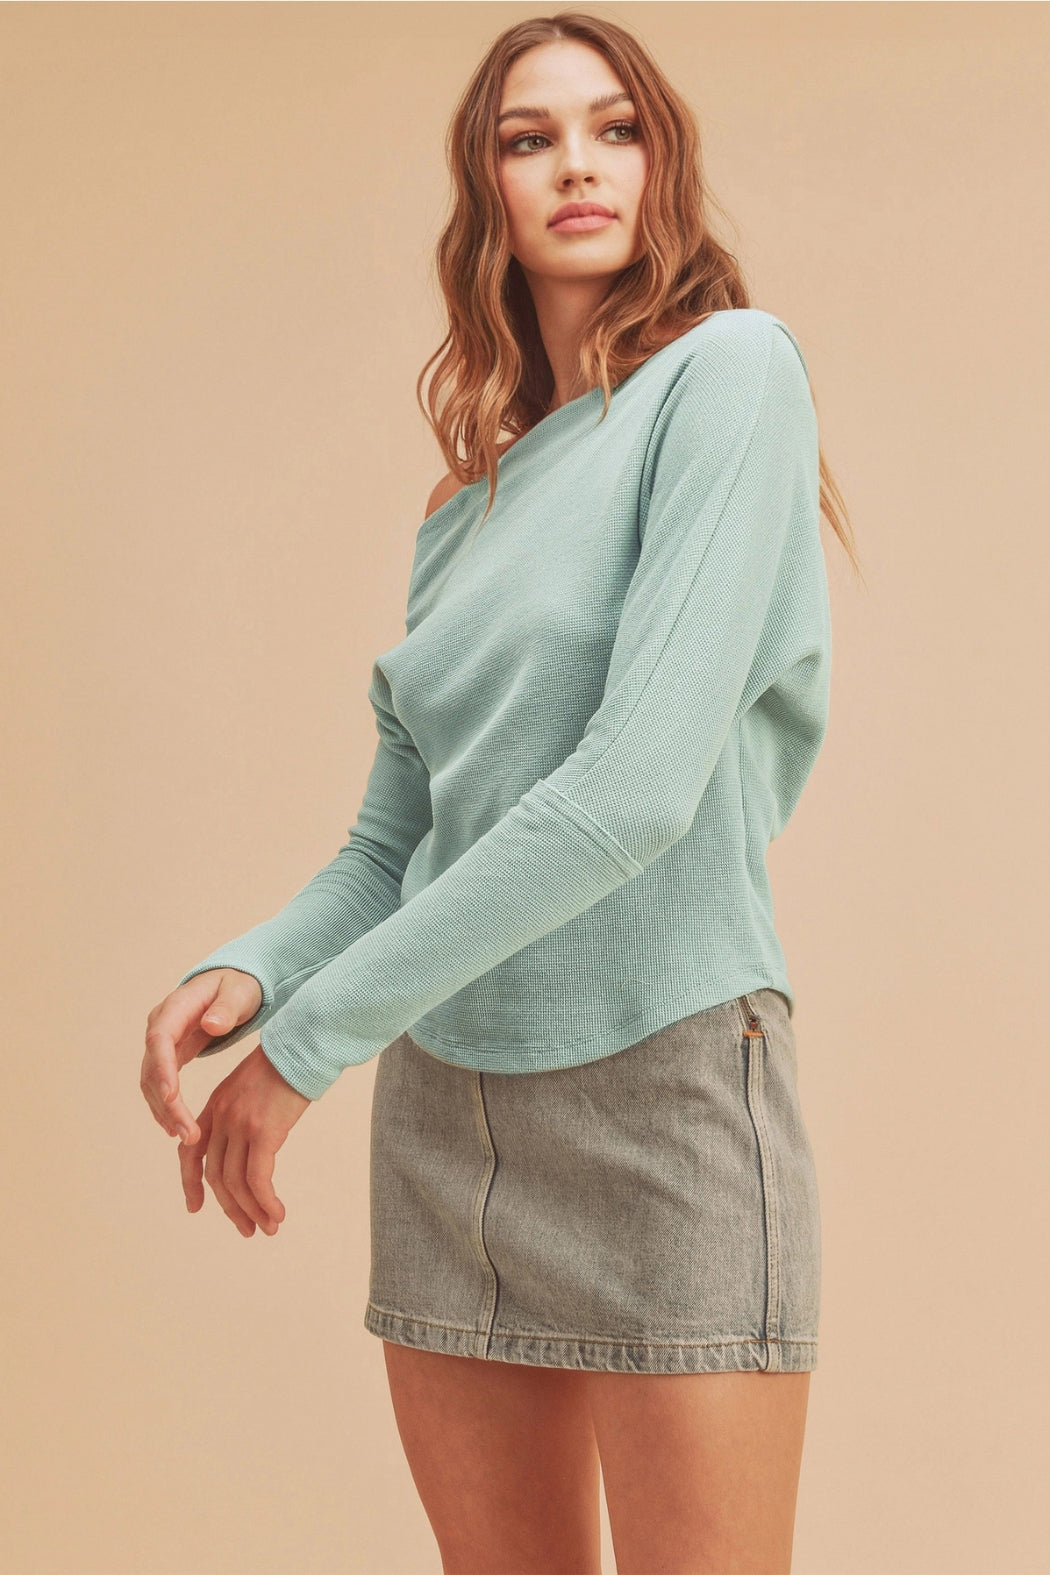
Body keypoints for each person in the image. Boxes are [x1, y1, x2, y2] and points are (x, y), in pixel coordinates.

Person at [141, 12, 859, 1572]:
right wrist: (255, 971)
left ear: (662, 164)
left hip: (663, 1088)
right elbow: (396, 841)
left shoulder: (730, 376)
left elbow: (632, 795)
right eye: (529, 140)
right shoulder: (460, 509)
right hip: (447, 1115)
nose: (577, 166)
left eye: (615, 128)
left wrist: (306, 1048)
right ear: (488, 191)